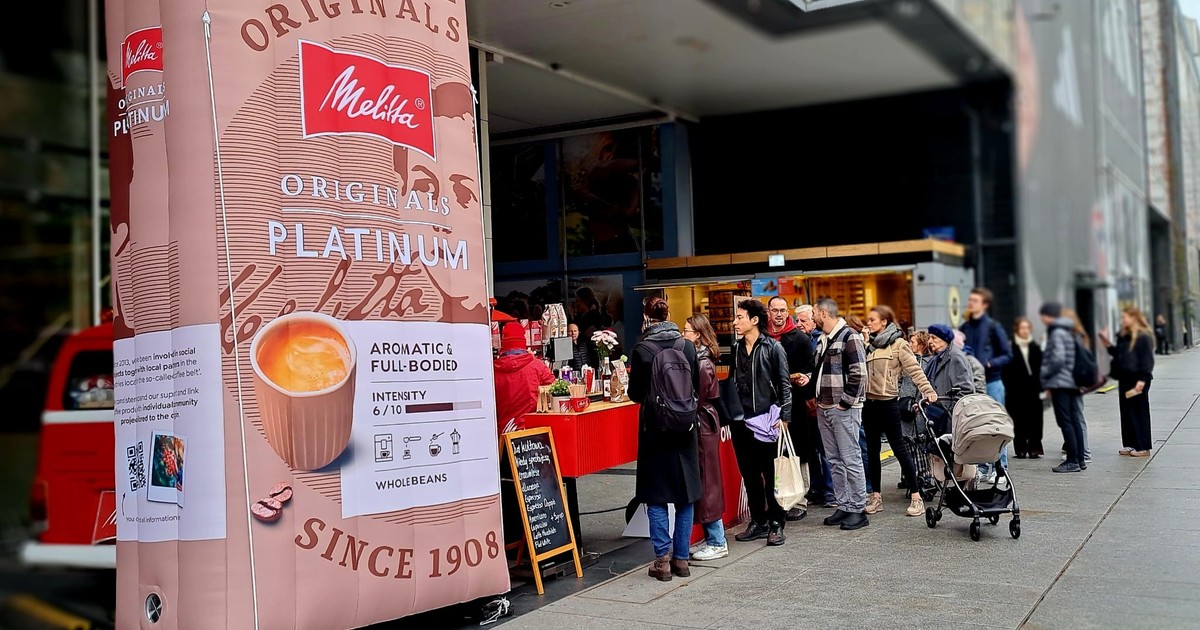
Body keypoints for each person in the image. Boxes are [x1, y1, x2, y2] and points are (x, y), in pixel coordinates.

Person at [628, 297, 701, 581]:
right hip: (685, 429)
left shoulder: (643, 350)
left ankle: (663, 560)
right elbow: (695, 387)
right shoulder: (688, 346)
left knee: (656, 495)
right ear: (669, 314)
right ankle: (682, 559)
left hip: (655, 430)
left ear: (647, 319)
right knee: (685, 495)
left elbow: (635, 395)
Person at [728, 298, 792, 546]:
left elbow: (785, 385)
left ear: (754, 320)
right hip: (741, 421)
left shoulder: (773, 348)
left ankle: (777, 523)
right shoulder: (735, 348)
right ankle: (758, 521)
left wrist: (785, 417)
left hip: (767, 420)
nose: (735, 321)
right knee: (749, 474)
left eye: (740, 317)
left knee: (771, 474)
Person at [862, 306, 938, 517]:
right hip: (869, 405)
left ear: (884, 322)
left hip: (888, 404)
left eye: (872, 319)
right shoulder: (869, 346)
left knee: (899, 449)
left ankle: (916, 497)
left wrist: (928, 391)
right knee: (872, 452)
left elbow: (915, 370)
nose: (868, 322)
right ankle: (876, 496)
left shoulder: (898, 344)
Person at [812, 298, 870, 531]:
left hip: (841, 408)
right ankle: (844, 504)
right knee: (834, 459)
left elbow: (859, 374)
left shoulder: (849, 336)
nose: (814, 317)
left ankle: (858, 508)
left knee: (850, 458)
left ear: (824, 313)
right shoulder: (823, 339)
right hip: (824, 406)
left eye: (815, 312)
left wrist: (845, 403)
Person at [683, 314, 728, 560]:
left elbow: (698, 397)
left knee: (708, 479)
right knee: (705, 478)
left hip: (703, 423)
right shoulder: (700, 360)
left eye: (687, 330)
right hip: (704, 422)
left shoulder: (701, 363)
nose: (683, 334)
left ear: (697, 334)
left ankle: (717, 539)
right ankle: (712, 537)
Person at [766, 296, 815, 523]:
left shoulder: (801, 338)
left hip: (794, 403)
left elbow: (811, 368)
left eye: (782, 310)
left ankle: (800, 499)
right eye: (774, 310)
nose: (778, 314)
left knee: (797, 451)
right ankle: (776, 498)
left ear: (788, 313)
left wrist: (805, 377)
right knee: (773, 454)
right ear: (768, 312)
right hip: (767, 405)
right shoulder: (762, 338)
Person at [960, 287, 1012, 479]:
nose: (970, 303)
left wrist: (990, 363)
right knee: (978, 426)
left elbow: (1007, 354)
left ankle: (1000, 468)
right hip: (973, 385)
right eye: (970, 300)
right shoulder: (965, 327)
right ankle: (982, 468)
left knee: (997, 425)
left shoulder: (992, 327)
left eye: (974, 300)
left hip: (992, 382)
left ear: (984, 304)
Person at [1101, 308, 1156, 457]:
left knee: (1139, 412)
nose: (1123, 320)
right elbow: (1118, 354)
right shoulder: (1124, 336)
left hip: (1138, 379)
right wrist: (1107, 343)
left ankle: (1144, 447)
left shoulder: (1142, 337)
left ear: (1134, 318)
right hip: (1125, 378)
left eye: (1125, 317)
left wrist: (1143, 379)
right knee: (1127, 412)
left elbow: (1147, 360)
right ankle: (1131, 444)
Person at [796, 304, 837, 507]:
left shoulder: (821, 340)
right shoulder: (799, 340)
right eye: (798, 321)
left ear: (814, 320)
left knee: (826, 449)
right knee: (811, 449)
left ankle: (830, 491)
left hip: (820, 403)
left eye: (804, 320)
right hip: (805, 404)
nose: (800, 324)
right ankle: (818, 488)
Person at [1040, 302, 1087, 473]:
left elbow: (1058, 359)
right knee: (1074, 421)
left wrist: (1044, 372)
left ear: (1047, 316)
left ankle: (1072, 460)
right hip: (1072, 382)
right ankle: (1080, 459)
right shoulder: (1069, 331)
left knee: (1065, 421)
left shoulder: (1057, 332)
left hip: (1061, 382)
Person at [492, 322, 555, 435]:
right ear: (523, 341)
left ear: (503, 342)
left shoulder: (493, 370)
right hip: (532, 431)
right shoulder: (537, 365)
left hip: (502, 432)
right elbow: (554, 388)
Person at [1004, 317, 1045, 459]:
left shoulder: (1035, 347)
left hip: (1034, 389)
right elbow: (1006, 370)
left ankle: (1035, 447)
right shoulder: (1010, 347)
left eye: (1027, 328)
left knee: (1035, 418)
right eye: (1022, 328)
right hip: (1016, 390)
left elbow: (1041, 368)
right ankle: (1020, 447)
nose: (1025, 331)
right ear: (1017, 330)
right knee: (1018, 419)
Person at [923, 324, 976, 432]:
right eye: (929, 337)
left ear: (944, 339)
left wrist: (951, 412)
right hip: (936, 414)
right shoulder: (935, 358)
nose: (930, 341)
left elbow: (965, 390)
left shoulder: (955, 357)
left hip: (949, 417)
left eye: (934, 338)